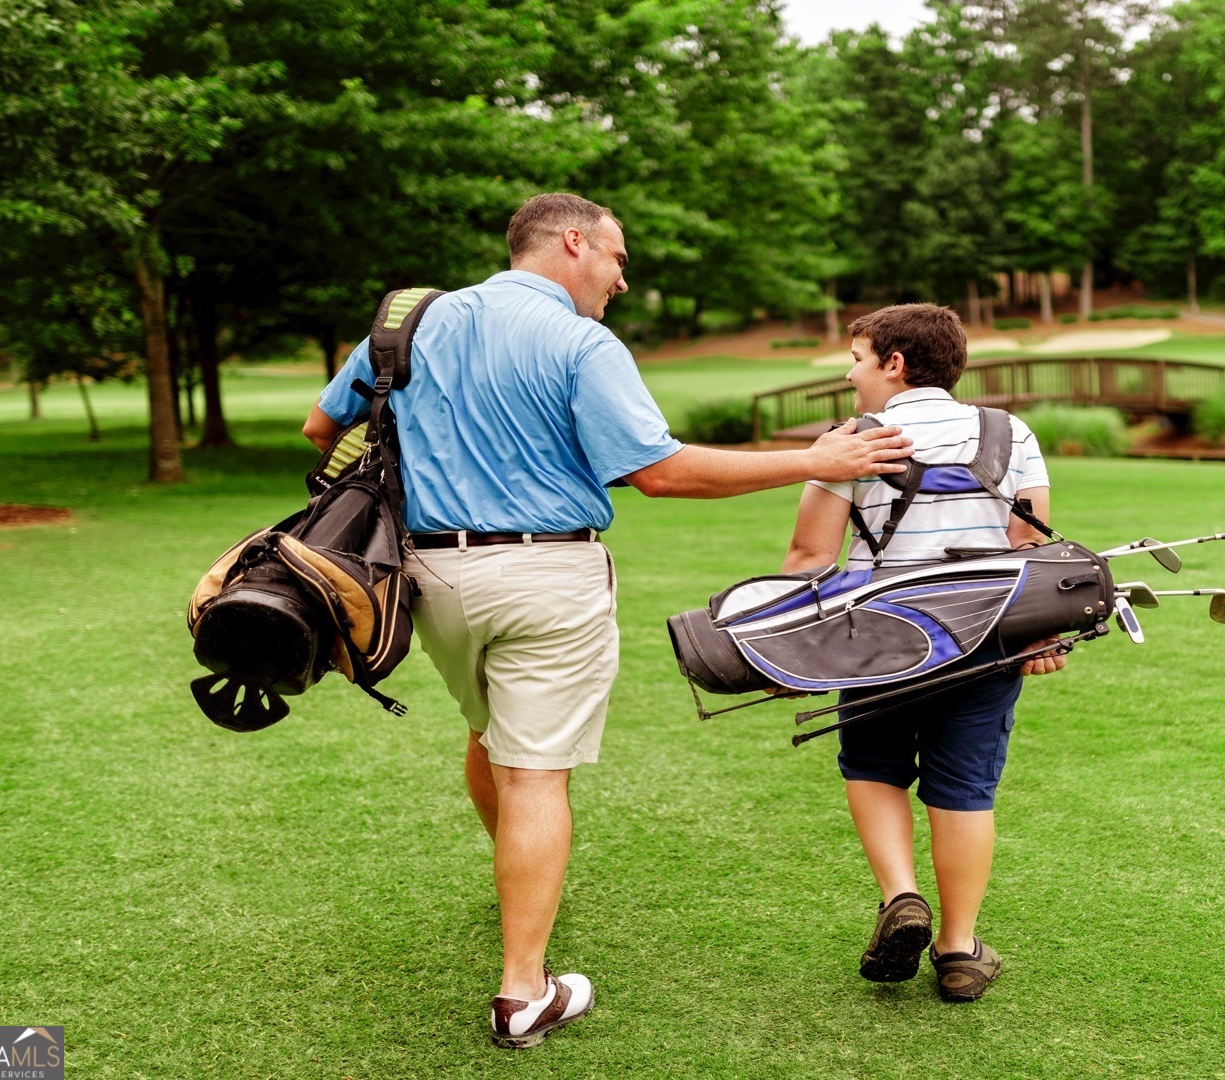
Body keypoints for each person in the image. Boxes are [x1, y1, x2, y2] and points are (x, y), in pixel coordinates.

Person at [303, 193, 912, 1048]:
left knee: (491, 738)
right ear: (574, 242)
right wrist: (816, 459)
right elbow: (658, 473)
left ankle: (521, 879)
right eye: (618, 259)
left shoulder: (410, 323)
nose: (623, 279)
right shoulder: (583, 342)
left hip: (424, 578)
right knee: (535, 775)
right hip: (549, 574)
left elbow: (321, 425)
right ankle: (524, 993)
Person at [779, 303, 1064, 1003]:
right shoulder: (1009, 430)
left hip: (878, 636)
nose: (850, 373)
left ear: (894, 363)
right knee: (965, 786)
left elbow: (809, 557)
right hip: (986, 636)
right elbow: (1031, 546)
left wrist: (786, 648)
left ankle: (901, 896)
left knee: (873, 764)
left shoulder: (849, 440)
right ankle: (960, 949)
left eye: (856, 358)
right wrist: (1038, 634)